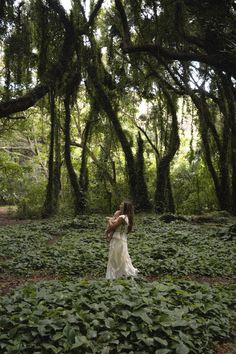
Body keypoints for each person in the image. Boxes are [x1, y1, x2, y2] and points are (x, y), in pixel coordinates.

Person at [105, 201, 138, 279]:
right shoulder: (127, 217)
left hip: (117, 239)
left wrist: (109, 220)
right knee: (121, 257)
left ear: (125, 207)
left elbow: (112, 227)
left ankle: (115, 275)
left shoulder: (122, 217)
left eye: (122, 205)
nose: (120, 206)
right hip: (122, 239)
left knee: (115, 257)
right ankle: (122, 273)